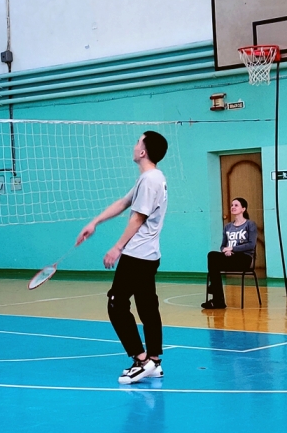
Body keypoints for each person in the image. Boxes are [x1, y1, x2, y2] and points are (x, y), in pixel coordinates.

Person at [76, 131, 168, 384]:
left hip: (137, 254)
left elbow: (138, 218)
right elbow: (123, 203)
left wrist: (117, 247)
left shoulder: (150, 180)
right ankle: (154, 361)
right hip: (148, 254)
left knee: (116, 304)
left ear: (143, 152)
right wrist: (95, 222)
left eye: (138, 141)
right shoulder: (150, 178)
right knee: (147, 307)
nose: (134, 145)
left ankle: (141, 359)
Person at [201, 197, 257, 310]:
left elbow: (251, 245)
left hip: (243, 258)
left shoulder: (250, 224)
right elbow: (223, 245)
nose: (233, 207)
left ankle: (216, 296)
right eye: (232, 205)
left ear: (243, 209)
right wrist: (225, 250)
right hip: (229, 257)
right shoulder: (228, 226)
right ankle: (218, 299)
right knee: (212, 255)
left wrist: (233, 249)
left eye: (236, 205)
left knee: (214, 265)